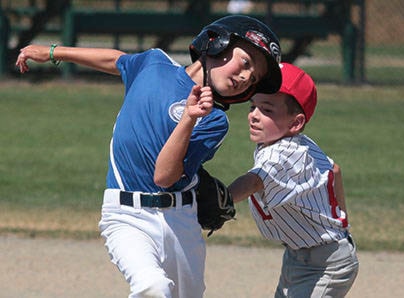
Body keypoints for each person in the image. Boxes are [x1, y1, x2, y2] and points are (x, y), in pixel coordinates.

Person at [16, 15, 282, 298]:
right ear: (217, 42)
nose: (245, 77)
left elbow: (164, 177)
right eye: (245, 62)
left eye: (253, 78)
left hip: (181, 223)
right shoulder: (154, 64)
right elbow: (117, 61)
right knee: (152, 288)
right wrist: (54, 52)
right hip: (126, 215)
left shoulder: (213, 121)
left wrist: (189, 118)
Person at [228, 63, 359, 298]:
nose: (254, 116)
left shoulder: (284, 154)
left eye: (267, 110)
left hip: (326, 266)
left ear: (295, 123)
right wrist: (342, 221)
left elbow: (254, 182)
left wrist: (221, 200)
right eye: (253, 106)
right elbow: (334, 170)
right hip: (300, 257)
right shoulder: (297, 144)